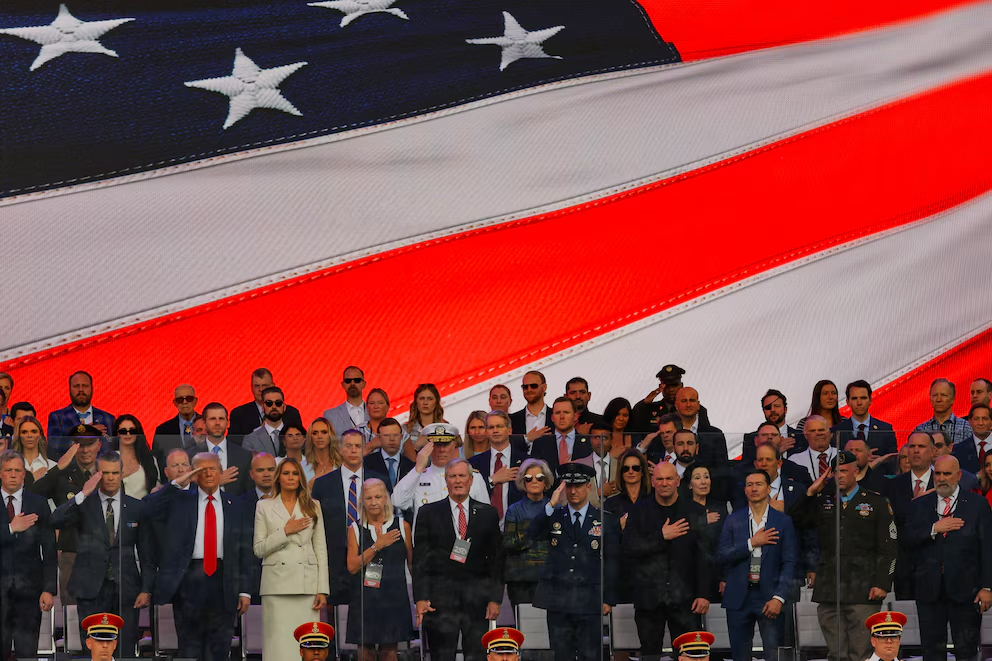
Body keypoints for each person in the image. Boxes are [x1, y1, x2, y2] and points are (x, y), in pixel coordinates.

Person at [788, 451, 895, 661]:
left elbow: (889, 547)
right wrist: (810, 492)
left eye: (845, 471)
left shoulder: (876, 502)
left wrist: (882, 583)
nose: (840, 476)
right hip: (830, 590)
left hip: (863, 590)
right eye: (836, 472)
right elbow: (794, 520)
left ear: (856, 472)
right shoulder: (823, 502)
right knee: (837, 654)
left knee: (861, 653)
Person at [145, 452, 252, 661]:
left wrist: (245, 590)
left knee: (220, 649)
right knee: (189, 649)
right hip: (188, 580)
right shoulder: (180, 501)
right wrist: (177, 483)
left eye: (213, 468)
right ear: (194, 474)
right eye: (202, 469)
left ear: (221, 472)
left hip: (224, 580)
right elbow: (149, 508)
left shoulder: (237, 505)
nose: (209, 473)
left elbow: (245, 550)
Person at [51, 450, 153, 657]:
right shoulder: (83, 504)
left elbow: (147, 552)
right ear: (97, 474)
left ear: (122, 473)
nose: (110, 478)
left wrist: (147, 588)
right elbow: (55, 520)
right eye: (105, 473)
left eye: (115, 473)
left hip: (126, 589)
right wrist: (82, 493)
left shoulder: (137, 507)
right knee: (93, 649)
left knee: (124, 648)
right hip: (90, 590)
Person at [413, 458, 503, 661]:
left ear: (471, 480)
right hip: (439, 601)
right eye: (452, 476)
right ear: (446, 480)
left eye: (462, 476)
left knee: (476, 656)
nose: (457, 480)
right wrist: (420, 597)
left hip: (477, 600)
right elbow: (420, 560)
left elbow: (496, 560)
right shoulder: (428, 513)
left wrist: (495, 598)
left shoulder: (488, 513)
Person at [904, 455, 992, 661]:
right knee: (932, 651)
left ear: (959, 475)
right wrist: (934, 528)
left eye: (947, 474)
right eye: (938, 473)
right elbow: (906, 539)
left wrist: (987, 587)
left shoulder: (977, 504)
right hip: (929, 590)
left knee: (967, 651)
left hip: (967, 591)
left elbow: (987, 547)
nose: (941, 478)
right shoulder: (920, 505)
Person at [622, 462, 712, 660]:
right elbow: (629, 548)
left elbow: (704, 556)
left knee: (691, 656)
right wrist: (661, 536)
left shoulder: (695, 511)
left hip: (686, 600)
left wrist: (704, 594)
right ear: (653, 482)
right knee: (650, 655)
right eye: (660, 479)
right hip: (649, 599)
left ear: (677, 481)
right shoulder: (638, 511)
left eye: (669, 478)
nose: (664, 483)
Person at [529, 462, 618, 661]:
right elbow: (531, 533)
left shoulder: (604, 520)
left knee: (591, 655)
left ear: (589, 487)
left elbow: (612, 562)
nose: (573, 491)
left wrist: (608, 598)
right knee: (562, 655)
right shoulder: (553, 516)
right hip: (558, 600)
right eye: (569, 486)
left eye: (578, 485)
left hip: (590, 599)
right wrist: (551, 504)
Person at [717, 468, 798, 661]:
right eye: (750, 485)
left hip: (770, 596)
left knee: (773, 654)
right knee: (740, 655)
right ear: (745, 490)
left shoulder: (783, 521)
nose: (754, 488)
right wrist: (751, 543)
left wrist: (779, 598)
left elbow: (790, 562)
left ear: (768, 489)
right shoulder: (733, 519)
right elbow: (721, 555)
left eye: (759, 484)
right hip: (739, 598)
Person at [254, 457, 329, 660]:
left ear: (301, 478)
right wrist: (285, 532)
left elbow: (320, 549)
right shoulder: (264, 506)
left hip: (306, 585)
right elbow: (259, 549)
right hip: (276, 586)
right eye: (286, 473)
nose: (290, 477)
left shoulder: (314, 506)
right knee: (277, 644)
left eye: (295, 473)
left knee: (305, 643)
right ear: (278, 478)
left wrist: (322, 589)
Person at [29, 425, 104, 605]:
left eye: (90, 444)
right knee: (72, 613)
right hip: (71, 551)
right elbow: (31, 496)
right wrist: (57, 468)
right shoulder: (62, 476)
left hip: (103, 552)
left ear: (99, 445)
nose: (85, 450)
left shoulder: (108, 473)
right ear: (72, 445)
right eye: (79, 444)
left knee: (102, 615)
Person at [312, 429, 386, 608]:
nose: (353, 450)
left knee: (370, 615)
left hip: (372, 558)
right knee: (335, 622)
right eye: (349, 446)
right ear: (340, 449)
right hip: (334, 563)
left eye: (358, 446)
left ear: (364, 450)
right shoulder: (323, 484)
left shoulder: (380, 480)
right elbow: (315, 526)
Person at [345, 478, 413, 660]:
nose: (374, 502)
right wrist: (378, 545)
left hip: (393, 597)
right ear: (362, 501)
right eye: (368, 498)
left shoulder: (402, 526)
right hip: (365, 599)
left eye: (378, 497)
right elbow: (352, 566)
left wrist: (421, 597)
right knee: (365, 651)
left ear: (386, 499)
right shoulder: (355, 529)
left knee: (389, 650)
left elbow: (413, 564)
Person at [0, 449, 57, 658]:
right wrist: (9, 529)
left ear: (25, 474)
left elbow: (50, 550)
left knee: (27, 652)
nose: (13, 474)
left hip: (29, 592)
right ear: (0, 473)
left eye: (17, 470)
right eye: (8, 470)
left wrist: (49, 589)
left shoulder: (39, 504)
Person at [393, 423, 490, 520]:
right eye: (437, 444)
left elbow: (485, 514)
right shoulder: (417, 477)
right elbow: (397, 501)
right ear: (428, 447)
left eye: (446, 444)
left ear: (454, 445)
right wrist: (418, 468)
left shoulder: (474, 477)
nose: (442, 450)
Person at [502, 459, 554, 608]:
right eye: (529, 478)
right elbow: (508, 544)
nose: (534, 482)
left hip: (549, 578)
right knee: (525, 627)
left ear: (546, 481)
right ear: (523, 482)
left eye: (539, 478)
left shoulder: (556, 509)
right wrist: (533, 533)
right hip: (520, 580)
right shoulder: (514, 510)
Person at [470, 410, 527, 525]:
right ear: (486, 432)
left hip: (518, 527)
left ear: (509, 430)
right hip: (484, 527)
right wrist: (492, 480)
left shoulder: (526, 462)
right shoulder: (473, 463)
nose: (495, 430)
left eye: (499, 426)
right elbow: (468, 494)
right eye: (491, 427)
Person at [47, 371, 114, 459]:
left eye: (85, 386)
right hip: (70, 471)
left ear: (92, 388)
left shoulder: (108, 418)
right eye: (76, 386)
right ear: (69, 389)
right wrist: (87, 431)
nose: (81, 389)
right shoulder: (57, 417)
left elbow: (114, 449)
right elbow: (54, 447)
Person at [191, 402, 254, 496]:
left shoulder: (244, 455)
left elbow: (248, 492)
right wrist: (216, 482)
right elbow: (187, 491)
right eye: (213, 419)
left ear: (228, 423)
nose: (217, 423)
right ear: (204, 424)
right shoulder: (191, 455)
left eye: (221, 419)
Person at [228, 367, 304, 437]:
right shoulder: (239, 414)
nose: (261, 389)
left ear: (273, 386)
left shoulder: (291, 413)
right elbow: (234, 445)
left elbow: (302, 440)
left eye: (264, 385)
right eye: (257, 386)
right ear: (251, 387)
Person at [243, 452, 277, 603]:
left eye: (271, 469)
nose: (266, 474)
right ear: (251, 474)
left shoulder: (292, 501)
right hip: (253, 582)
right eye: (260, 470)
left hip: (286, 578)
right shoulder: (239, 505)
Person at [831, 380, 897, 456]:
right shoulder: (836, 432)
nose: (859, 403)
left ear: (870, 400)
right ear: (847, 402)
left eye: (863, 398)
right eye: (854, 398)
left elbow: (893, 462)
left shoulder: (885, 430)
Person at [530, 398, 593, 474]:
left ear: (576, 416)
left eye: (566, 412)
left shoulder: (589, 443)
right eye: (557, 413)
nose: (562, 417)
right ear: (552, 417)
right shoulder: (540, 443)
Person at [741, 389, 807, 464]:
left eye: (777, 406)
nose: (772, 410)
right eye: (768, 407)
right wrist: (775, 452)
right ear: (764, 411)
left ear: (785, 409)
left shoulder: (801, 436)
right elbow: (746, 468)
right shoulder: (751, 438)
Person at [674, 387, 728, 471]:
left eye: (692, 400)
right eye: (684, 401)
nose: (688, 405)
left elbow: (722, 470)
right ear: (676, 405)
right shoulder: (667, 432)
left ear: (698, 404)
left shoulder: (715, 434)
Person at [152, 384, 200, 473]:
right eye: (180, 399)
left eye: (189, 398)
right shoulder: (163, 430)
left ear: (195, 401)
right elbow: (157, 461)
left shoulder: (206, 425)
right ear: (175, 403)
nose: (185, 402)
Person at [914, 378, 973, 447]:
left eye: (943, 395)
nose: (939, 399)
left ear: (952, 400)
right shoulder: (920, 430)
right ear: (930, 398)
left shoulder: (967, 428)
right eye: (935, 395)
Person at [112, 415, 159, 498]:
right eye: (123, 431)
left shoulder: (149, 459)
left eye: (132, 430)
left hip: (144, 507)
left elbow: (156, 486)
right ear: (117, 434)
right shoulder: (109, 459)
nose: (128, 434)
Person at [364, 417, 414, 492]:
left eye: (396, 435)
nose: (392, 439)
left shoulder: (411, 467)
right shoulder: (366, 464)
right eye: (386, 435)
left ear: (401, 437)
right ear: (379, 438)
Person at [787, 415, 837, 483]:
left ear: (830, 433)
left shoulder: (841, 456)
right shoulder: (795, 461)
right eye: (813, 431)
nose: (818, 433)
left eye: (821, 430)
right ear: (805, 435)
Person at [323, 365, 370, 437]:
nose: (352, 383)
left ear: (364, 384)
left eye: (357, 380)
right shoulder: (330, 416)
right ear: (343, 385)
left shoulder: (375, 412)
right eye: (348, 381)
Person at [243, 386, 290, 455]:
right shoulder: (250, 439)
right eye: (269, 403)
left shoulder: (297, 436)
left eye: (278, 403)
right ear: (262, 407)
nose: (274, 406)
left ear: (284, 407)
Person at [357, 388, 407, 452]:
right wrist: (372, 445)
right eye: (372, 403)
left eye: (380, 403)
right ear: (367, 407)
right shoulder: (358, 432)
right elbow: (349, 458)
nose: (376, 406)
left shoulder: (401, 432)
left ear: (388, 406)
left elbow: (411, 459)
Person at [509, 370, 551, 443]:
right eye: (525, 387)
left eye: (533, 386)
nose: (529, 390)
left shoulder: (557, 416)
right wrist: (527, 439)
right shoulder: (512, 420)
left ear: (544, 387)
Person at [952, 403, 992, 474]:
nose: (980, 423)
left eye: (984, 419)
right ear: (970, 422)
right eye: (976, 419)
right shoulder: (959, 449)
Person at [406, 383, 447, 451]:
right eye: (422, 398)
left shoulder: (447, 428)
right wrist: (417, 446)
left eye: (430, 399)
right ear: (416, 401)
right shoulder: (405, 430)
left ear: (436, 402)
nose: (425, 403)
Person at [304, 417, 342, 485]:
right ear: (310, 437)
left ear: (330, 435)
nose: (319, 436)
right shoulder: (302, 466)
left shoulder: (342, 465)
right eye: (315, 433)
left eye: (324, 432)